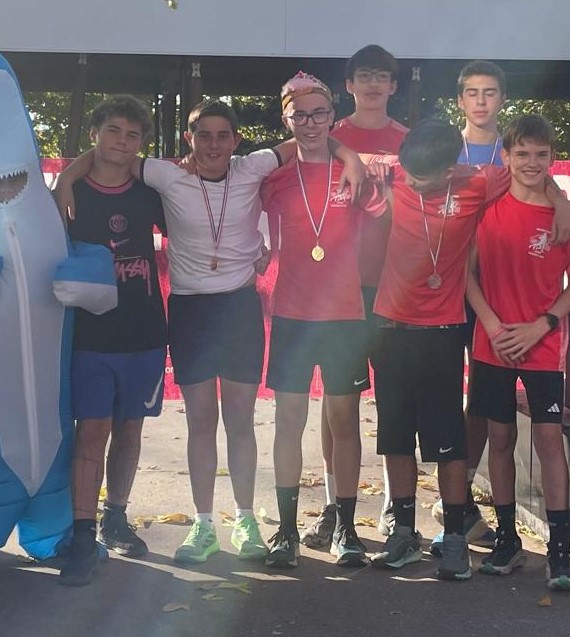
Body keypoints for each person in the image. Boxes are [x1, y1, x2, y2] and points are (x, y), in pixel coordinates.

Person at [54, 98, 365, 565]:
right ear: (189, 139)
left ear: (236, 141)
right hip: (191, 311)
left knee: (240, 420)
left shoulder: (252, 167)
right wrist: (65, 179)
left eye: (223, 136)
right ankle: (203, 524)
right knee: (200, 421)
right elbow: (108, 153)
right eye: (204, 135)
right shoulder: (167, 175)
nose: (213, 145)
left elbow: (306, 135)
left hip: (238, 308)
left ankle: (245, 519)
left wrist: (351, 157)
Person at [363, 119, 570, 580]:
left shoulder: (479, 182)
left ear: (448, 171)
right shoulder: (394, 171)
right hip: (389, 327)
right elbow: (335, 152)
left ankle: (455, 538)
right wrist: (359, 160)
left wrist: (561, 202)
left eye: (422, 178)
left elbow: (532, 168)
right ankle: (404, 533)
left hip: (443, 328)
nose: (412, 183)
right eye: (408, 174)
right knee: (395, 437)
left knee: (448, 439)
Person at [260, 73, 388, 569]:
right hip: (292, 315)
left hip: (344, 317)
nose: (310, 123)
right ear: (285, 119)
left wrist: (350, 157)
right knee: (288, 424)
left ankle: (347, 529)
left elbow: (383, 213)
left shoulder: (354, 172)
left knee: (345, 423)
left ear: (332, 117)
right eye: (299, 115)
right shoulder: (273, 176)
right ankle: (286, 531)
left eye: (319, 114)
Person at [466, 115, 570, 589]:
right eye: (522, 154)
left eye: (541, 154)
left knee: (549, 441)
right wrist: (492, 324)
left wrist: (543, 324)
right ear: (506, 157)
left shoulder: (568, 217)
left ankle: (560, 549)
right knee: (499, 439)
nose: (531, 162)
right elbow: (466, 275)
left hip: (542, 347)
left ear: (552, 158)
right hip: (493, 344)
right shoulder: (487, 208)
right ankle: (507, 538)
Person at [58, 97, 168, 585]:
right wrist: (65, 177)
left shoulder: (150, 192)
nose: (121, 142)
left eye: (132, 135)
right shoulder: (69, 192)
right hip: (89, 336)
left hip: (144, 332)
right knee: (91, 430)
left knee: (130, 429)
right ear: (95, 134)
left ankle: (116, 517)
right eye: (113, 131)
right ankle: (83, 536)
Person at [307, 44, 410, 547]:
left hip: (394, 288)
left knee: (395, 400)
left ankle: (394, 506)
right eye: (363, 75)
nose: (372, 84)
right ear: (348, 85)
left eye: (381, 76)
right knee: (337, 403)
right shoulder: (328, 138)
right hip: (339, 288)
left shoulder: (409, 142)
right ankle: (335, 506)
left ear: (393, 86)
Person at [432, 60, 511, 557]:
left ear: (502, 99)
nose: (481, 101)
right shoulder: (445, 148)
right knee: (443, 398)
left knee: (481, 399)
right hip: (444, 286)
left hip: (495, 290)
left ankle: (458, 499)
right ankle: (443, 501)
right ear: (460, 100)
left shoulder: (514, 149)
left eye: (490, 92)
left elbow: (544, 188)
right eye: (473, 93)